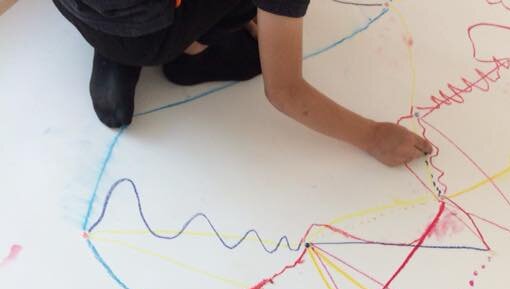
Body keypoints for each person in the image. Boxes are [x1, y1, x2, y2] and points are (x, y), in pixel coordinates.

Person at [50, 0, 432, 165]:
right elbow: (285, 91)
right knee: (256, 54)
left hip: (79, 13)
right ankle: (187, 54)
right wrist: (372, 136)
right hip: (147, 35)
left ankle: (119, 52)